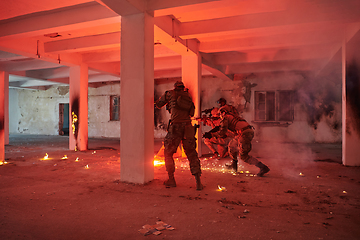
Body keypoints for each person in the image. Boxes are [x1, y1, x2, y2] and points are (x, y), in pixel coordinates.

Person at [155, 81, 203, 190]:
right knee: (192, 154)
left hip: (175, 127)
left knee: (168, 153)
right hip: (188, 127)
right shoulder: (188, 96)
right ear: (183, 88)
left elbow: (159, 104)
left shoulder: (170, 94)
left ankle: (171, 179)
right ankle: (198, 182)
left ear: (175, 87)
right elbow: (191, 113)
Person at [217, 108, 270, 176]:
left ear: (223, 112)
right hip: (242, 133)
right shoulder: (232, 116)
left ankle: (263, 167)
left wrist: (213, 134)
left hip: (245, 134)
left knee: (243, 156)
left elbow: (223, 130)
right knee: (232, 146)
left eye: (219, 114)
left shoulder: (225, 117)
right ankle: (234, 166)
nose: (219, 116)